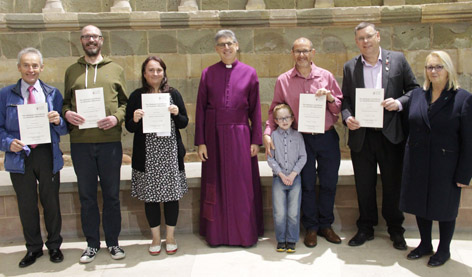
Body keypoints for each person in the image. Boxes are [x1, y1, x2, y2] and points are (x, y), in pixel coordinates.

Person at [341, 22, 419, 249]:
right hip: (362, 136)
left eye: (368, 37)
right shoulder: (350, 67)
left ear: (378, 37)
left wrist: (399, 103)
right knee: (364, 185)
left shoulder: (398, 60)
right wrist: (347, 118)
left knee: (393, 184)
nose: (365, 42)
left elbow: (413, 89)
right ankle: (365, 227)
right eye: (360, 39)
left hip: (391, 134)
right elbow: (345, 99)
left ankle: (396, 229)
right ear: (356, 42)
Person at [263, 37, 343, 248]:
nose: (302, 55)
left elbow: (338, 108)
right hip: (301, 140)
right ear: (292, 54)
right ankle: (311, 228)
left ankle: (326, 224)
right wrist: (268, 133)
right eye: (297, 51)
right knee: (306, 184)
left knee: (328, 183)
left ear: (313, 53)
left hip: (326, 136)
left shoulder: (325, 76)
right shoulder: (284, 80)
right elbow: (274, 110)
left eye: (305, 51)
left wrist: (330, 99)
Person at [400, 51, 472, 267]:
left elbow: (469, 140)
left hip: (446, 165)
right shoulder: (418, 95)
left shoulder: (463, 98)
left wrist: (464, 173)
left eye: (438, 67)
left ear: (448, 69)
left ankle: (444, 249)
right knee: (420, 204)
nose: (433, 71)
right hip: (418, 161)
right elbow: (409, 127)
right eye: (429, 67)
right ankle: (424, 244)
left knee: (445, 208)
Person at [63, 25, 128, 263]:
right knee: (87, 196)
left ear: (101, 40)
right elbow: (65, 104)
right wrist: (67, 114)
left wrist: (116, 117)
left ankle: (113, 243)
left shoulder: (116, 69)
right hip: (81, 143)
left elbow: (125, 103)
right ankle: (91, 244)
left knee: (111, 195)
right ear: (81, 41)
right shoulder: (72, 71)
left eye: (95, 36)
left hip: (109, 142)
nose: (91, 40)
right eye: (86, 37)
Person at [195, 29, 263, 247]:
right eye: (222, 44)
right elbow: (200, 109)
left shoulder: (250, 73)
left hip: (240, 136)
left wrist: (255, 140)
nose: (226, 48)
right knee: (215, 182)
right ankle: (216, 235)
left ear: (237, 46)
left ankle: (243, 233)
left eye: (230, 43)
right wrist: (201, 142)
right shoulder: (207, 73)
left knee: (241, 185)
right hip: (213, 137)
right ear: (216, 49)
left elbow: (256, 110)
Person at [0, 48, 68, 267]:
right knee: (26, 204)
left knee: (51, 202)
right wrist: (8, 143)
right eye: (26, 65)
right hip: (20, 155)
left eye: (35, 65)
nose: (31, 70)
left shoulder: (53, 93)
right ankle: (33, 248)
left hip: (46, 153)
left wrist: (58, 121)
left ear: (42, 67)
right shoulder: (5, 95)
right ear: (19, 67)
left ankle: (55, 246)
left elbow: (65, 129)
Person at [125, 56, 188, 255]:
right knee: (150, 199)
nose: (155, 74)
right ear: (144, 74)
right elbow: (128, 126)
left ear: (164, 72)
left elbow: (184, 122)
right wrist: (134, 119)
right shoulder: (137, 96)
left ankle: (170, 236)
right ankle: (154, 238)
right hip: (147, 154)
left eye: (158, 70)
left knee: (171, 197)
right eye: (151, 70)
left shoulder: (173, 94)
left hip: (169, 153)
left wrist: (177, 113)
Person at [267, 104, 307, 253]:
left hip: (294, 179)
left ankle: (291, 240)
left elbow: (303, 156)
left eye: (287, 118)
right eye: (280, 119)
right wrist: (281, 174)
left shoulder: (298, 136)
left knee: (293, 211)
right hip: (279, 179)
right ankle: (281, 239)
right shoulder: (273, 137)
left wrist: (293, 174)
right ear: (276, 121)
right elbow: (270, 159)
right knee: (279, 212)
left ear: (292, 118)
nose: (284, 121)